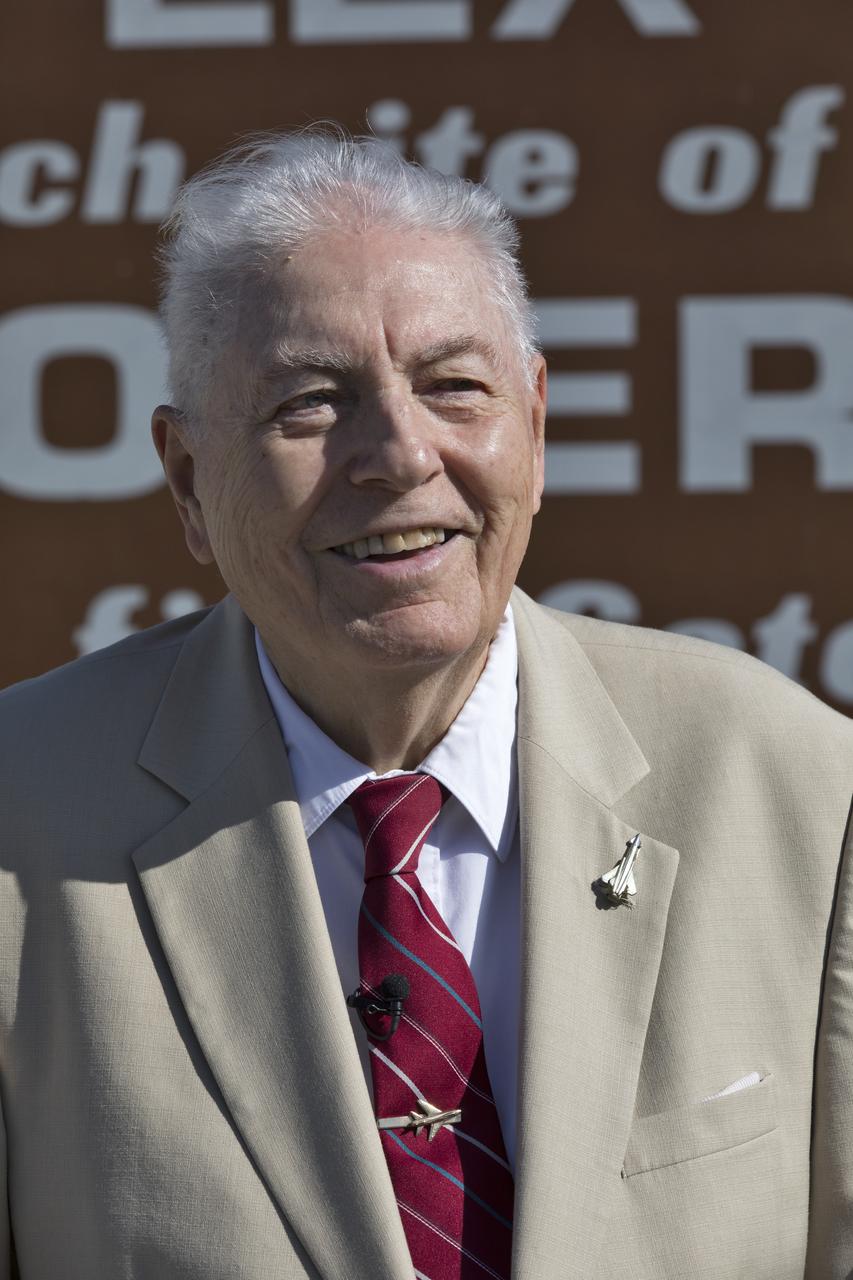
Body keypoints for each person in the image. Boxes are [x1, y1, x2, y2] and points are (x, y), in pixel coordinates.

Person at [0, 128, 851, 1280]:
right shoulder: (23, 821)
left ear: (536, 428)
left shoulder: (796, 786)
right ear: (189, 481)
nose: (398, 453)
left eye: (454, 386)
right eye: (311, 401)